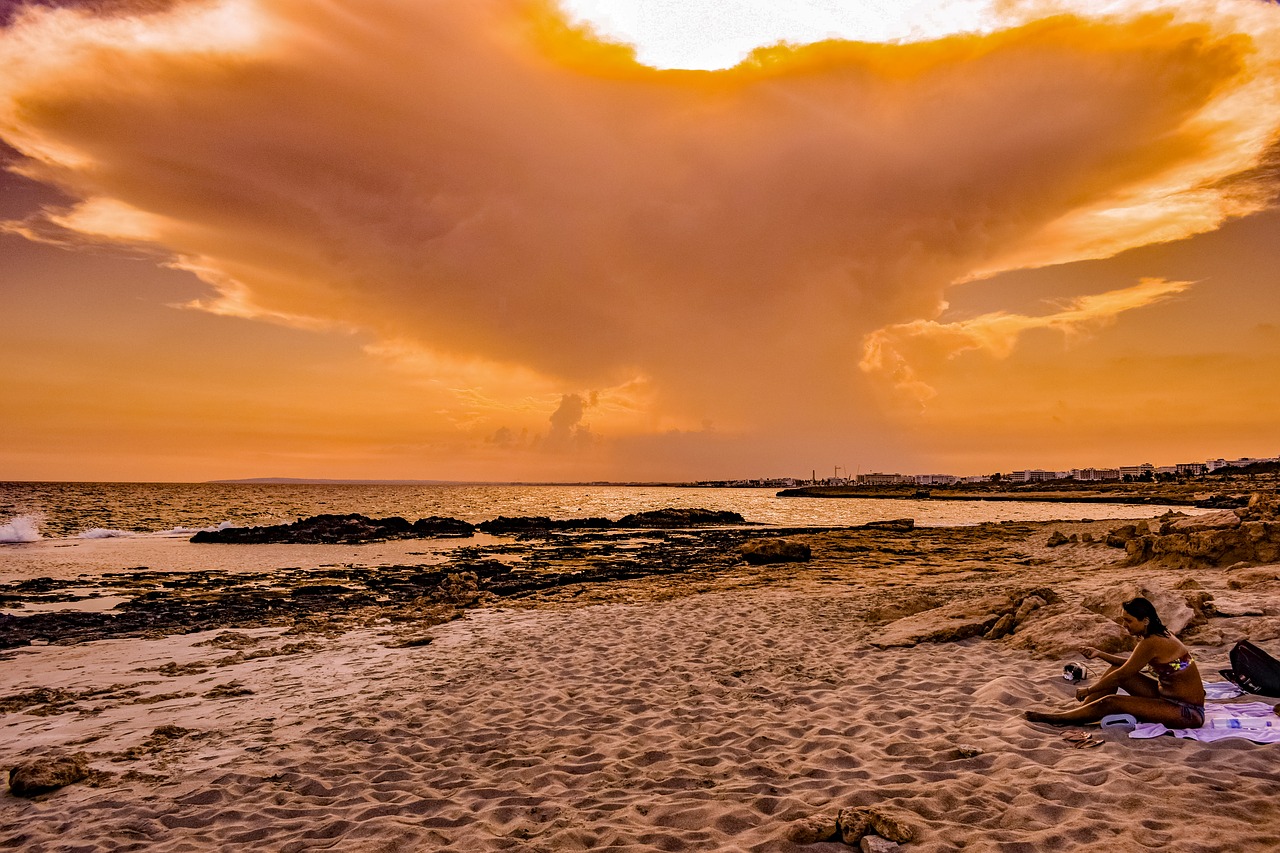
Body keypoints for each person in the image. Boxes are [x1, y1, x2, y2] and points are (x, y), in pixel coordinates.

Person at [1025, 597, 1205, 728]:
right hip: (1166, 696)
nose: (1124, 625)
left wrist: (1089, 689)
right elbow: (1129, 665)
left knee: (1111, 702)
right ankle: (1084, 710)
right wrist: (1100, 654)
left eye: (1129, 621)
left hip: (1187, 712)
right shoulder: (1160, 634)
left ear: (1145, 621)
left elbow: (1122, 676)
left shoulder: (1151, 643)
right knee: (1114, 669)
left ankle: (1062, 718)